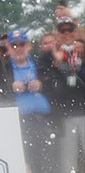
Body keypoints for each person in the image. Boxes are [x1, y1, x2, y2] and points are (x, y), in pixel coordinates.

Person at [1, 29, 56, 173]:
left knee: (47, 162)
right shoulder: (4, 68)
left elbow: (54, 84)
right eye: (14, 45)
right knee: (24, 164)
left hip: (44, 122)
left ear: (28, 46)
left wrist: (41, 84)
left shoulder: (39, 64)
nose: (18, 48)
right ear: (8, 48)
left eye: (22, 44)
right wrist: (10, 87)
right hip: (19, 123)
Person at [39, 17, 85, 172]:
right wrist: (58, 65)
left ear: (75, 31)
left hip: (84, 111)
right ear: (57, 33)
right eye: (62, 30)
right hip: (63, 115)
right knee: (68, 162)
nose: (66, 33)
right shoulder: (48, 56)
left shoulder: (83, 51)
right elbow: (48, 85)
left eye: (70, 29)